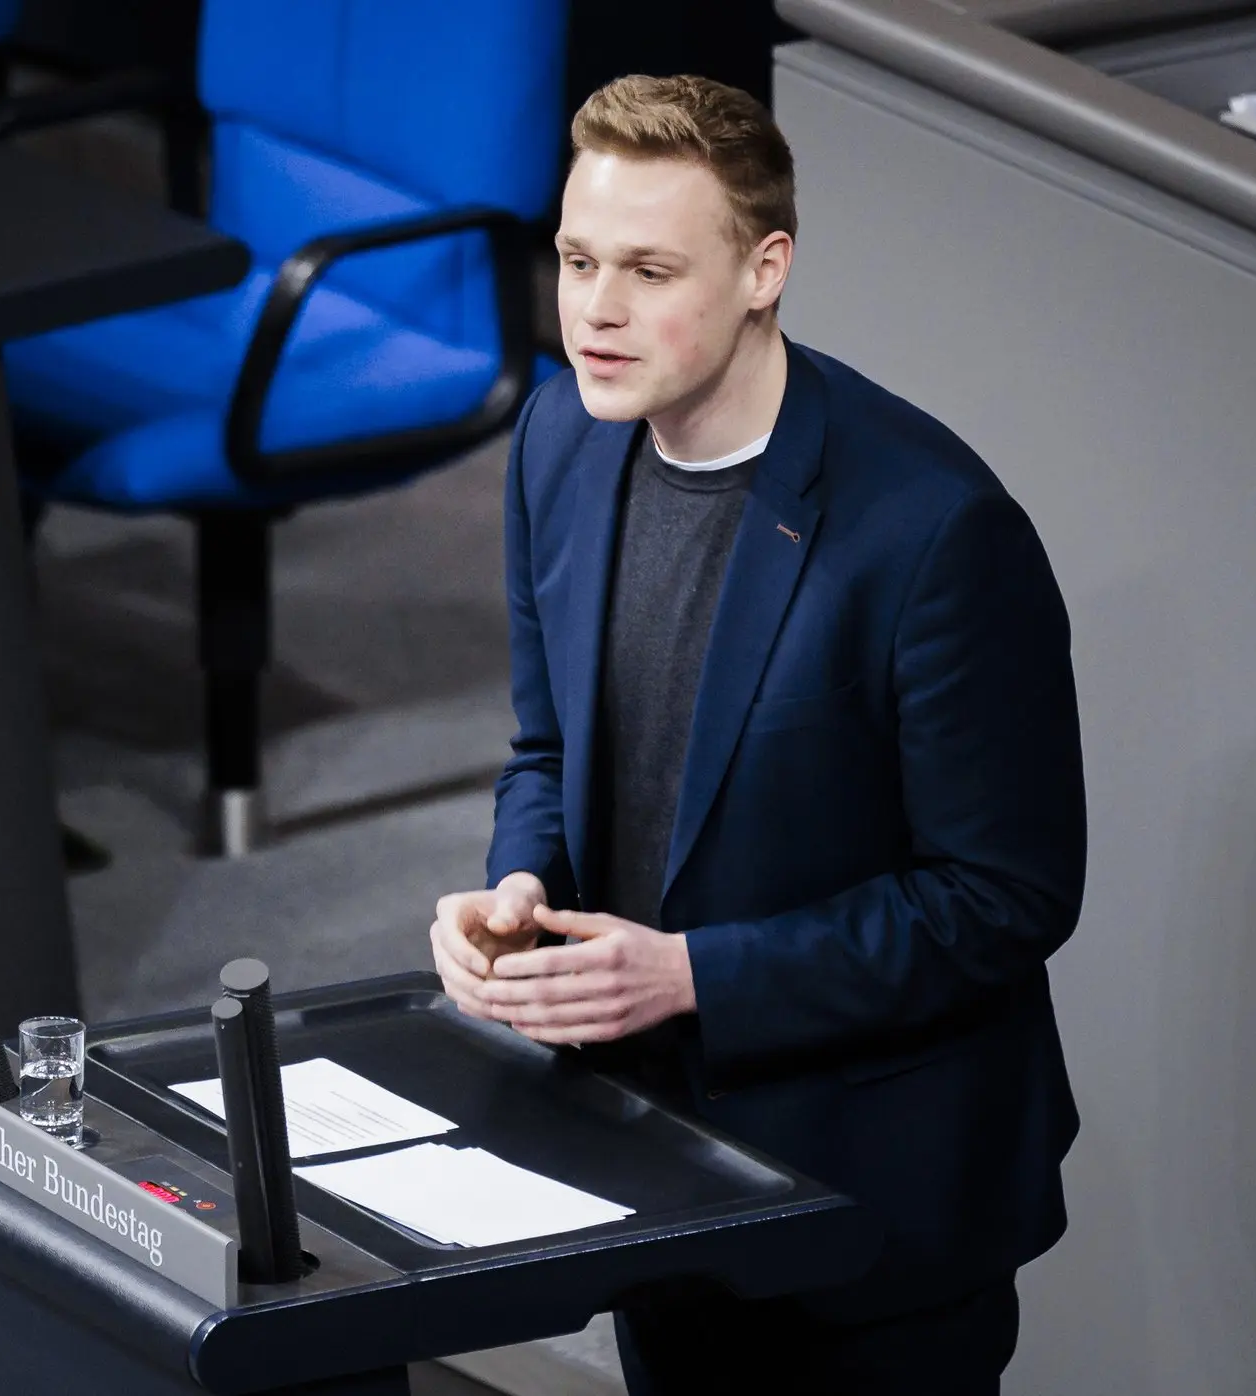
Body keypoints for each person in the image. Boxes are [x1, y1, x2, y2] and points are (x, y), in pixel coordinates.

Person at [429, 74, 1085, 1395]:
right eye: (576, 259)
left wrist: (693, 976)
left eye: (650, 269)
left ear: (763, 269)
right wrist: (519, 887)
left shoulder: (936, 532)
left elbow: (1003, 899)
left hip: (870, 1209)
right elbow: (550, 750)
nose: (597, 311)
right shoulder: (560, 437)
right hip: (649, 1154)